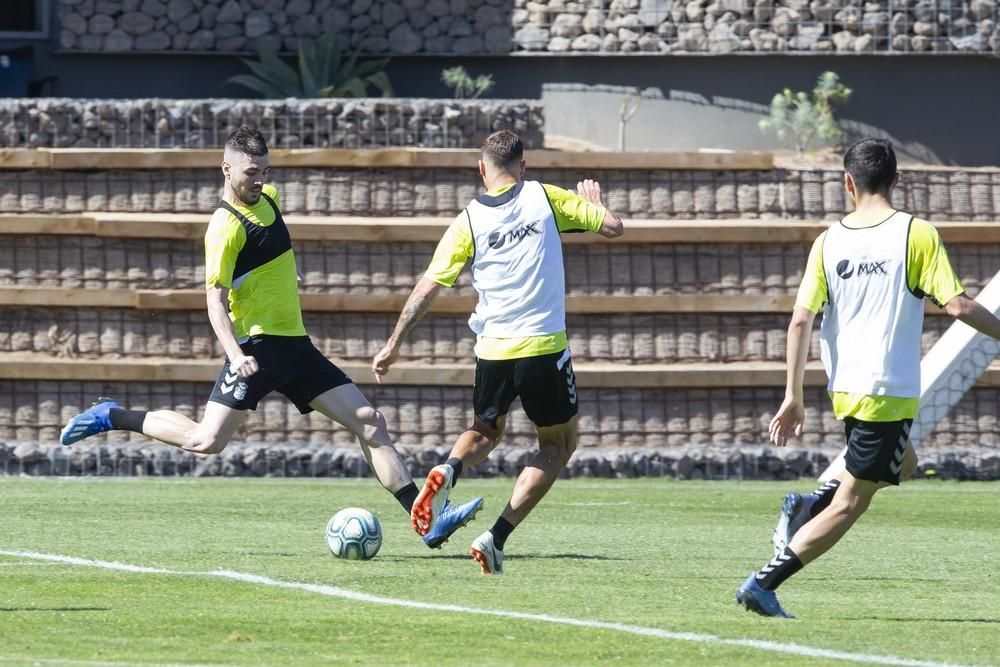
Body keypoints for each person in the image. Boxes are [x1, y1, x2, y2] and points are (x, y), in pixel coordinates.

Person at [59, 125, 482, 549]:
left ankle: (427, 519)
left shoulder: (270, 200)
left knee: (370, 421)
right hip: (255, 350)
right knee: (204, 440)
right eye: (249, 172)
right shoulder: (224, 229)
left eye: (264, 170)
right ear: (226, 169)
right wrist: (235, 353)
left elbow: (268, 259)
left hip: (295, 347)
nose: (258, 179)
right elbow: (214, 301)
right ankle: (113, 415)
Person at [737, 138, 1000, 617]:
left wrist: (793, 396)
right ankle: (765, 581)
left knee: (904, 466)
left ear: (848, 183)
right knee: (852, 502)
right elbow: (957, 305)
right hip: (887, 390)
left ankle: (809, 504)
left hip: (847, 390)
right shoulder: (916, 233)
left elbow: (799, 320)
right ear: (897, 180)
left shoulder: (828, 240)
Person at [372, 129, 624, 574]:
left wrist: (393, 344)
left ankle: (449, 469)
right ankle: (496, 537)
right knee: (558, 445)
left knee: (484, 431)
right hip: (543, 345)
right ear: (522, 167)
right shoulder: (545, 197)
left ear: (482, 170)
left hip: (492, 350)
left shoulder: (468, 219)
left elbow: (428, 286)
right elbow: (612, 229)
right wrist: (599, 205)